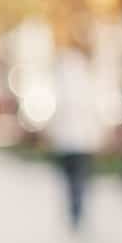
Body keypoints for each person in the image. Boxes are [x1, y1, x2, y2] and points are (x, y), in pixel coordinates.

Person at [47, 44, 103, 231]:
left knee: (72, 179)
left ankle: (75, 210)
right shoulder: (84, 82)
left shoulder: (63, 83)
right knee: (78, 178)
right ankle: (77, 209)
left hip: (70, 143)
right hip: (79, 142)